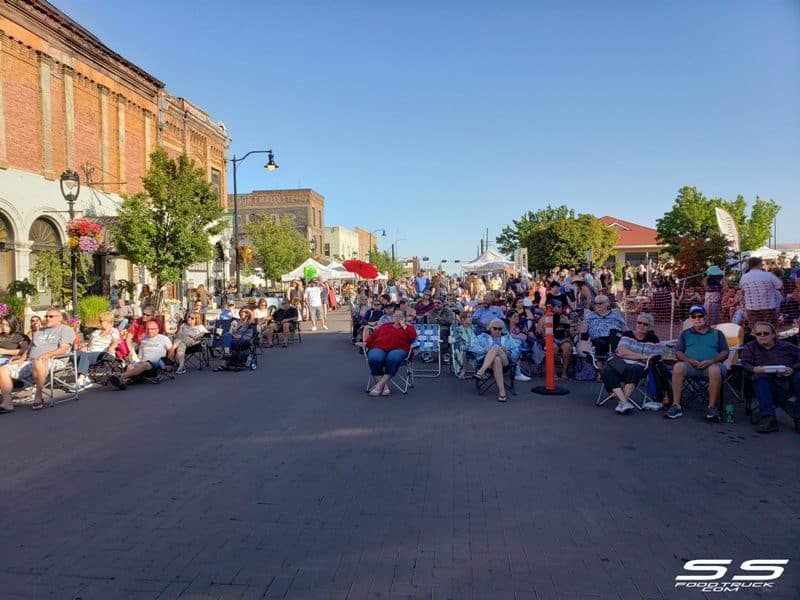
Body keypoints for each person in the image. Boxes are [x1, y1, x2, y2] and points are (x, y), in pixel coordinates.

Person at [0, 307, 75, 412]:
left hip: (54, 360)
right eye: (46, 316)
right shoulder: (40, 331)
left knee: (38, 362)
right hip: (31, 361)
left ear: (60, 318)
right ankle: (7, 403)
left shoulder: (65, 329)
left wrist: (47, 354)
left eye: (51, 316)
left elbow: (64, 348)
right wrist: (21, 359)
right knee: (3, 369)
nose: (47, 318)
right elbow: (30, 348)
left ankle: (38, 394)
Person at [666, 305, 729, 421]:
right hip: (691, 366)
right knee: (678, 366)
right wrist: (690, 360)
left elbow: (725, 352)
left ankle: (712, 407)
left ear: (706, 317)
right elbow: (678, 352)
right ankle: (676, 405)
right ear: (690, 319)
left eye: (700, 316)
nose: (697, 319)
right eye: (694, 316)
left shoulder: (717, 333)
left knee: (715, 370)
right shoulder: (685, 333)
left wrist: (712, 361)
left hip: (712, 365)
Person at [739, 321, 800, 434]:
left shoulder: (787, 346)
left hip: (787, 376)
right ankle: (769, 418)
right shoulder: (750, 347)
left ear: (773, 334)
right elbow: (745, 363)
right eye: (759, 334)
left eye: (766, 333)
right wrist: (754, 369)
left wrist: (792, 369)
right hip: (765, 378)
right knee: (759, 378)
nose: (762, 336)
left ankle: (799, 419)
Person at [600, 313, 663, 414]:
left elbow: (657, 356)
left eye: (645, 324)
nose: (641, 325)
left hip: (638, 366)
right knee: (606, 369)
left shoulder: (653, 339)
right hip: (620, 361)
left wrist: (631, 355)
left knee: (633, 370)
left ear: (650, 326)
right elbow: (622, 352)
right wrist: (643, 356)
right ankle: (624, 402)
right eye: (639, 322)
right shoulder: (628, 334)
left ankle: (622, 403)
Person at [365, 308, 417, 396]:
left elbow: (413, 338)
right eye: (396, 315)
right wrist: (365, 343)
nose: (397, 318)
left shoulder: (408, 328)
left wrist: (404, 326)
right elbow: (373, 336)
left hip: (399, 349)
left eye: (400, 316)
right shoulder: (385, 326)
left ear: (404, 318)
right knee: (374, 358)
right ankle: (385, 387)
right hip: (380, 347)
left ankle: (379, 386)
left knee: (392, 359)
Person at [108, 321, 173, 390]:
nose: (150, 331)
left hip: (156, 363)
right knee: (130, 366)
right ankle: (122, 382)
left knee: (144, 364)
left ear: (157, 329)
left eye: (152, 329)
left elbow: (171, 351)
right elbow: (140, 353)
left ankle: (120, 377)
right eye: (148, 329)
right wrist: (136, 361)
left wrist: (168, 363)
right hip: (142, 362)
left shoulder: (163, 338)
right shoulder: (144, 339)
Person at [469, 318, 522, 402]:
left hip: (505, 361)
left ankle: (481, 372)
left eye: (500, 329)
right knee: (496, 359)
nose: (497, 331)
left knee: (496, 347)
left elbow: (516, 351)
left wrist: (507, 351)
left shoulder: (508, 338)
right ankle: (502, 393)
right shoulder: (482, 337)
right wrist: (484, 350)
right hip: (487, 362)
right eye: (495, 328)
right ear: (490, 328)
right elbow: (472, 347)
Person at [76, 311, 121, 387]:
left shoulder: (113, 331)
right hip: (91, 354)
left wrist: (111, 348)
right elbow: (89, 344)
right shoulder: (96, 332)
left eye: (101, 321)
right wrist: (85, 347)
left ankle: (80, 380)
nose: (100, 323)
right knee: (76, 354)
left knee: (85, 355)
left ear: (107, 321)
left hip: (104, 354)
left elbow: (115, 341)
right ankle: (85, 378)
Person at [535, 299, 575, 380]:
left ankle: (564, 372)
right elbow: (537, 331)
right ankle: (552, 372)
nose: (561, 308)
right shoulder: (545, 317)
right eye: (558, 306)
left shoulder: (564, 317)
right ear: (552, 308)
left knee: (567, 347)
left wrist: (569, 326)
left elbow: (571, 333)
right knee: (553, 347)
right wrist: (541, 330)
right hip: (550, 340)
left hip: (563, 339)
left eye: (561, 306)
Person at [738, 256, 782, 326]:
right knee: (770, 328)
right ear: (759, 264)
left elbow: (742, 289)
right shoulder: (768, 275)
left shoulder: (744, 277)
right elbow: (779, 285)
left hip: (751, 307)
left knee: (755, 328)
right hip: (768, 307)